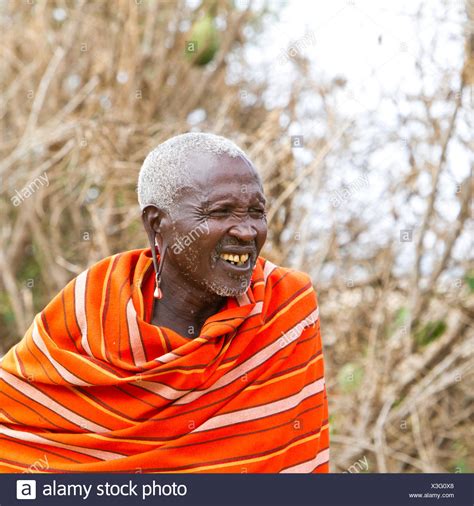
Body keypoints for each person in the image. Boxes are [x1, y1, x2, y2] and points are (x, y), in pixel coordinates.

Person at [0, 132, 329, 473]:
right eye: (221, 212)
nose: (247, 231)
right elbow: (13, 426)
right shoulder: (90, 310)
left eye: (256, 212)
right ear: (157, 223)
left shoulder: (285, 307)